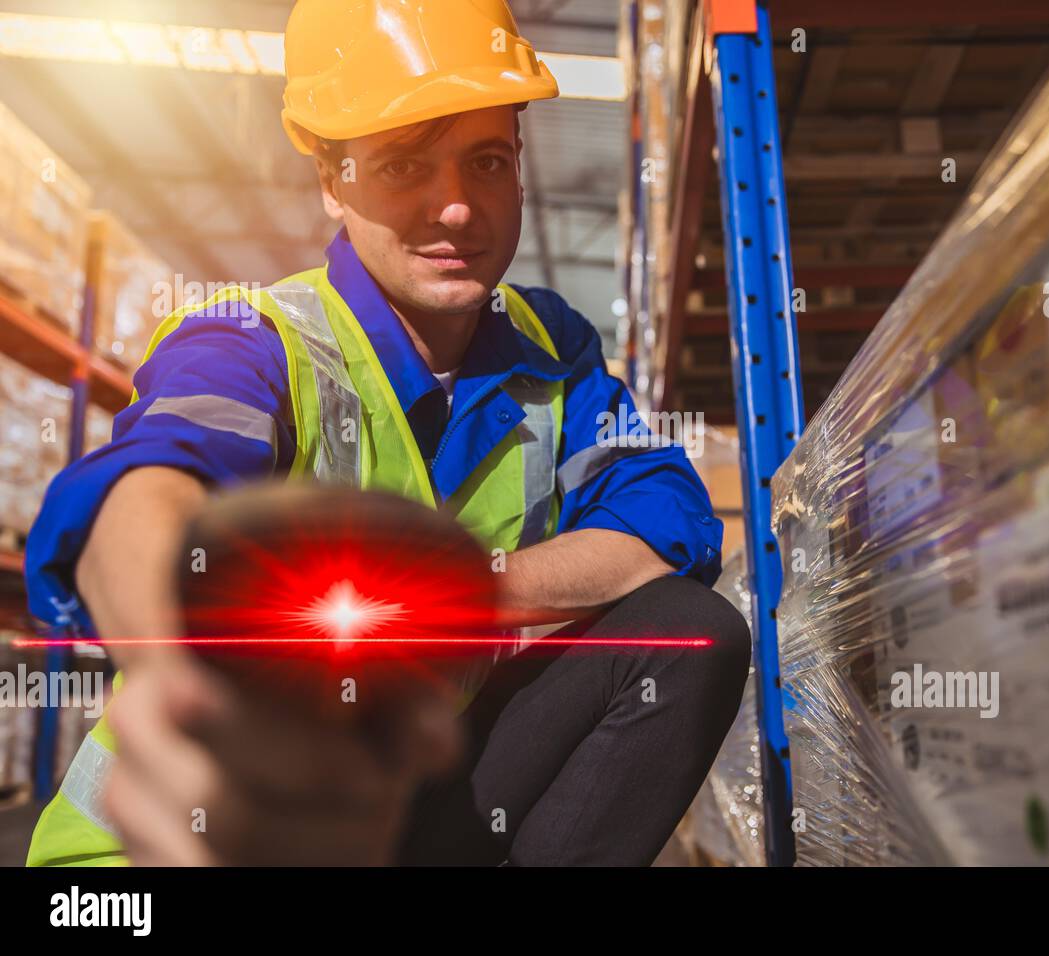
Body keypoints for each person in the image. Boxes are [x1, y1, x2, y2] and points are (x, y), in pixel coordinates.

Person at [24, 0, 749, 866]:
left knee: (689, 634)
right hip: (179, 838)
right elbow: (147, 486)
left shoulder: (550, 346)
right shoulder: (254, 340)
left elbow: (664, 516)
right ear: (332, 180)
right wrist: (183, 673)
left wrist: (453, 600)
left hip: (388, 791)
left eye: (487, 161)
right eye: (405, 163)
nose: (457, 211)